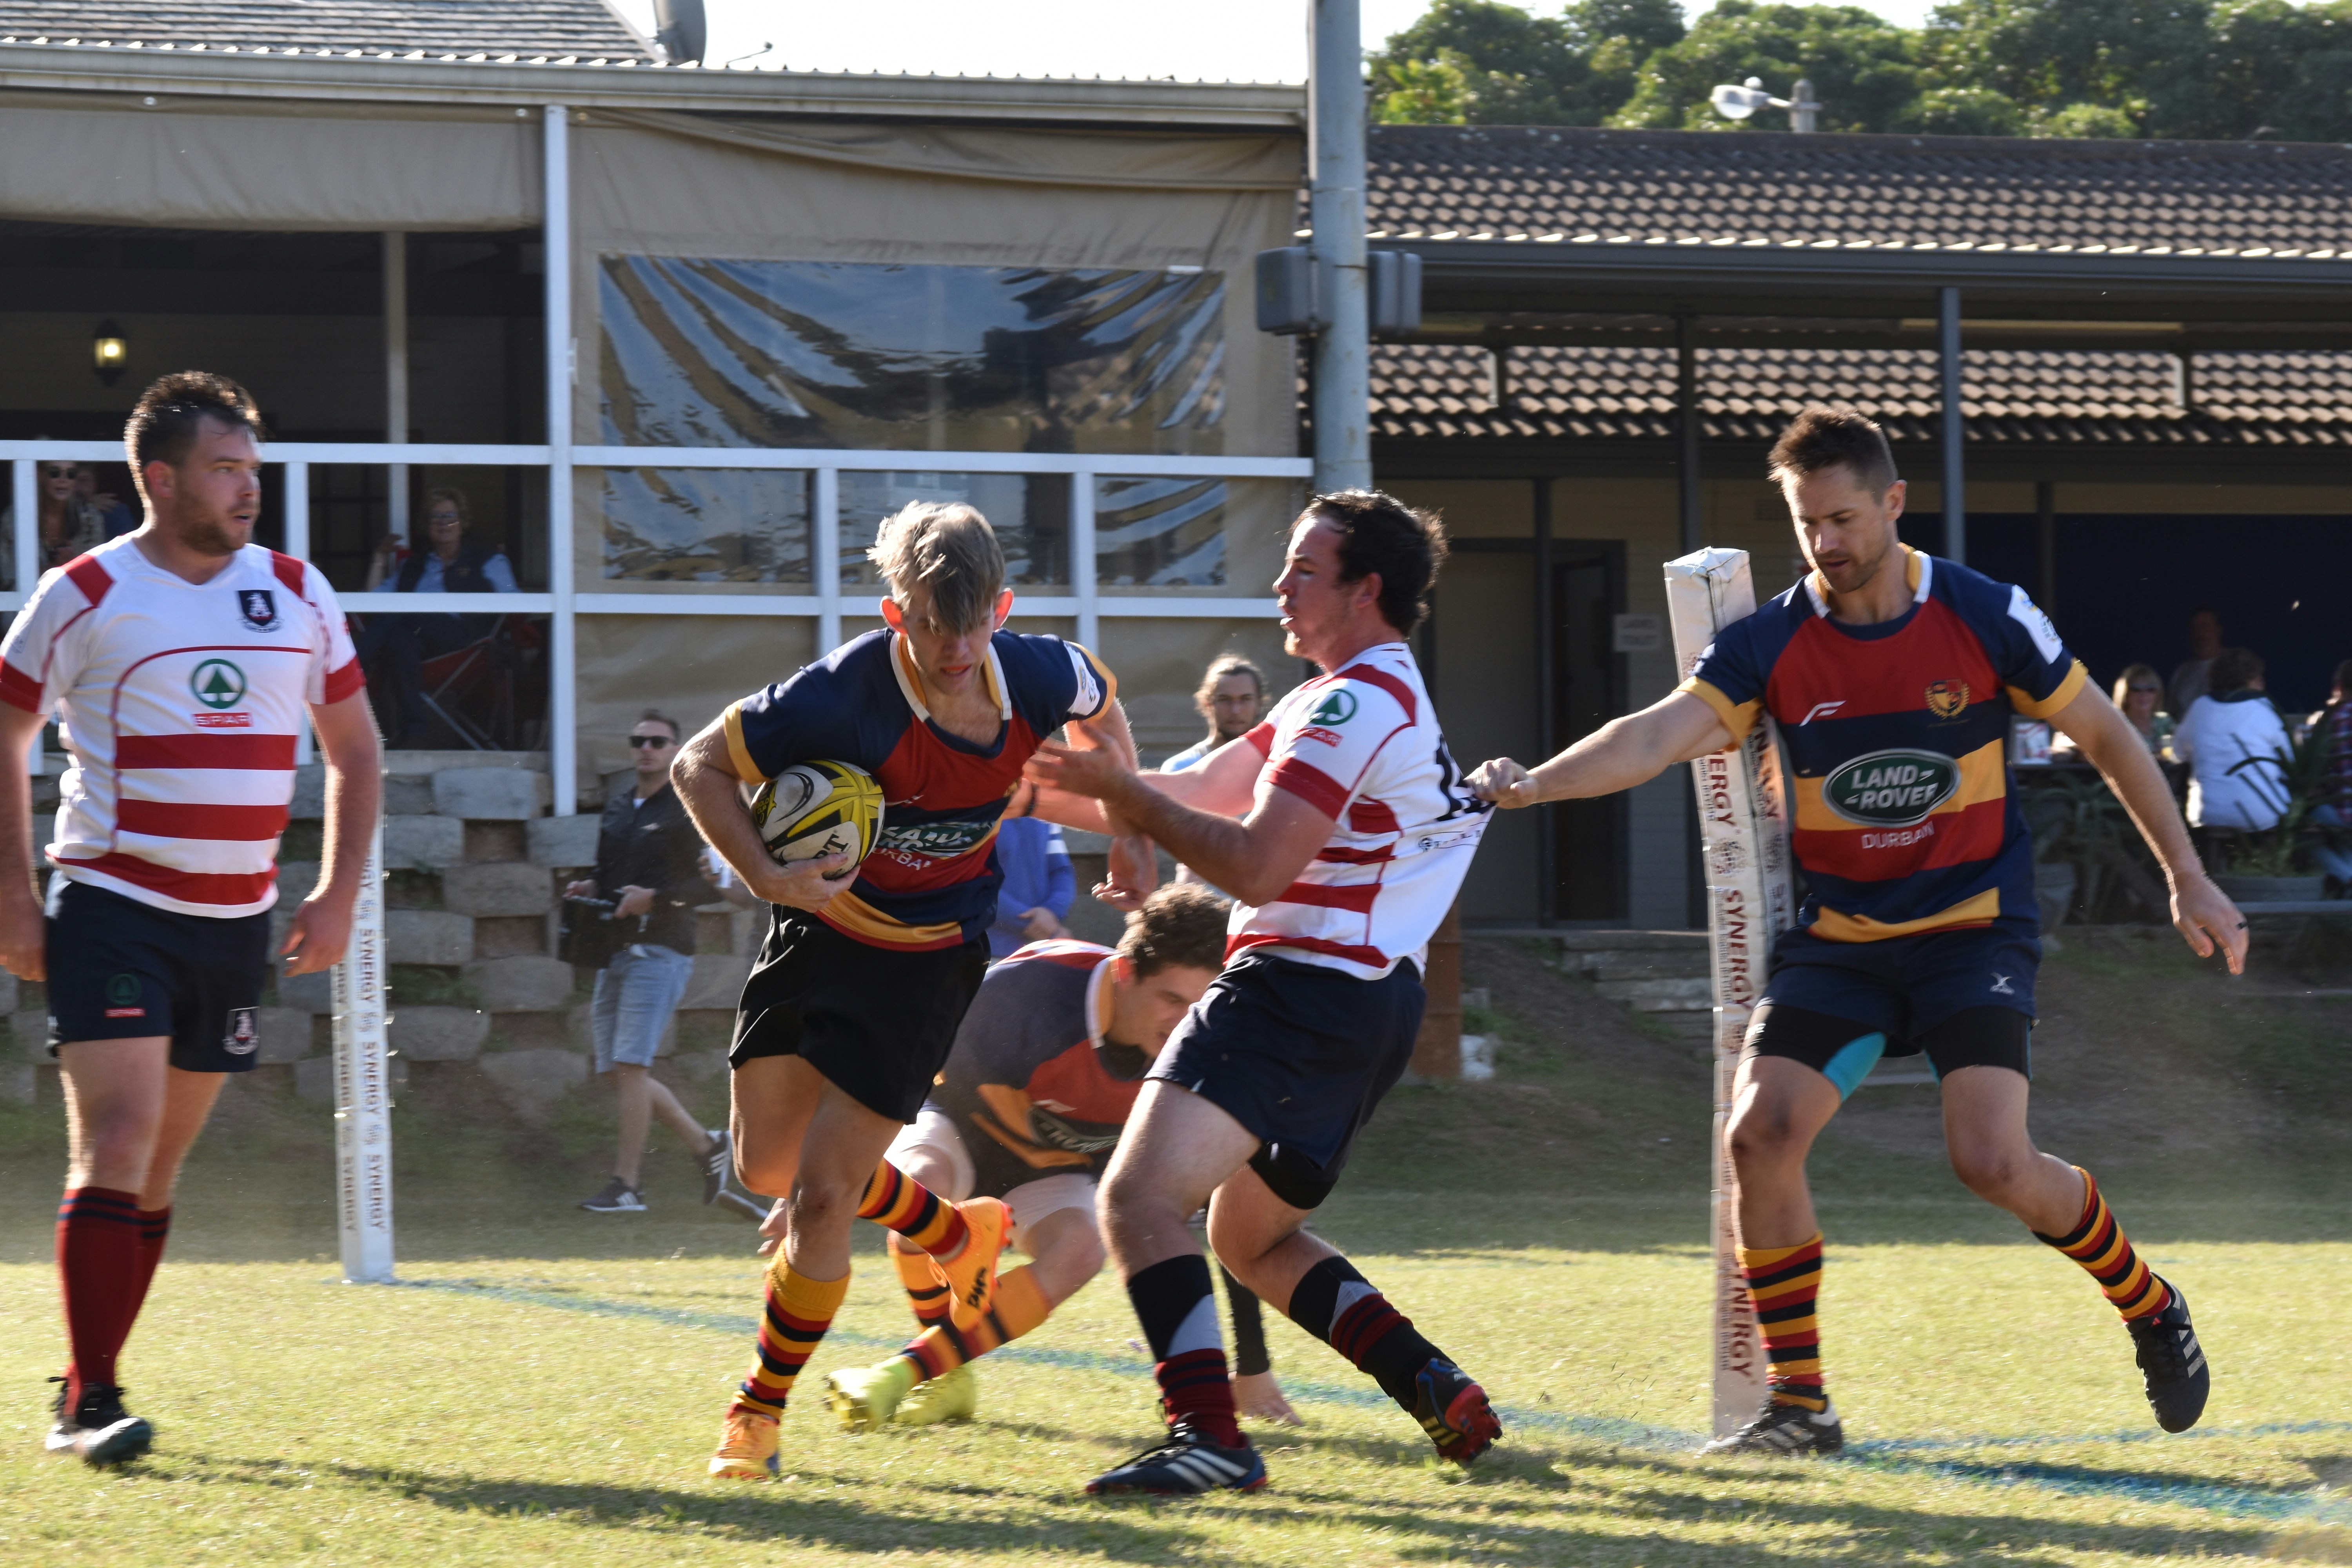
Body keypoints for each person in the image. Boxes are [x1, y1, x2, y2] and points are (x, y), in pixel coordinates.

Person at [1471, 409, 2242, 1455]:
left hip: (1972, 930)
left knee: (1993, 1162)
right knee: (1761, 1134)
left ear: (1892, 504)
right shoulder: (1773, 641)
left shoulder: (1985, 614)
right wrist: (1533, 785)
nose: (1827, 543)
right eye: (1807, 525)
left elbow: (2105, 733)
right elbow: (1658, 734)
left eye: (1843, 518)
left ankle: (2148, 1302)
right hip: (1840, 943)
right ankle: (1802, 1406)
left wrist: (2188, 878)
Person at [1024, 489, 1501, 1496]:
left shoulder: (1352, 703)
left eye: (1303, 570)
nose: (1279, 586)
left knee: (1138, 1199)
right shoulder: (1342, 694)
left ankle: (1209, 1436)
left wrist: (1123, 798)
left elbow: (1255, 864)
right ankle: (1435, 1386)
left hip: (1297, 987)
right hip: (1366, 1006)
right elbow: (1190, 794)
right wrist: (1012, 785)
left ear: (1366, 590)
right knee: (1250, 1237)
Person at [670, 500, 1154, 1483]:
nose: (955, 646)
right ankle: (953, 1225)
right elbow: (699, 766)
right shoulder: (842, 694)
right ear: (898, 614)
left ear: (1002, 609)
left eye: (973, 625)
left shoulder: (1037, 670)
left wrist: (1132, 824)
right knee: (764, 1168)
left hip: (929, 957)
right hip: (816, 929)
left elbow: (1105, 708)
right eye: (934, 625)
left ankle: (756, 1415)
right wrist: (769, 875)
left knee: (819, 1196)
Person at [0, 372, 381, 1466]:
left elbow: (355, 750)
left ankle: (87, 1374)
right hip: (113, 905)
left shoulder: (300, 592)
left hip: (235, 922)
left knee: (157, 1171)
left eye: (252, 470)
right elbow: (6, 737)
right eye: (225, 470)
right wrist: (17, 895)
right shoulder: (80, 592)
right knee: (115, 1142)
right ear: (160, 480)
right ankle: (89, 1408)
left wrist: (338, 888)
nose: (247, 490)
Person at [818, 883, 1299, 1429]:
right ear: (1124, 973)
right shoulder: (1027, 989)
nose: (1185, 1023)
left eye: (1202, 1004)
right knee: (922, 1187)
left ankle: (912, 1375)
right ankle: (945, 1367)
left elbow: (1226, 1199)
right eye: (1172, 1000)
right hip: (958, 1127)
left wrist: (1254, 1367)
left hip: (1055, 1170)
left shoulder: (1208, 1045)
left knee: (1081, 1251)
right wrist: (823, 1174)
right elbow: (891, 1065)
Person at [569, 710, 731, 1214]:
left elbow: (710, 887)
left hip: (661, 950)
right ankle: (707, 1145)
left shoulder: (688, 809)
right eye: (639, 739)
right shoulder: (619, 807)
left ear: (675, 749)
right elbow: (605, 870)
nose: (647, 748)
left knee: (632, 1066)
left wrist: (654, 899)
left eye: (658, 741)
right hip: (614, 949)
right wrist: (589, 886)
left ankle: (628, 1187)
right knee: (616, 1072)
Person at [356, 487, 519, 747]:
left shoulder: (489, 560)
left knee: (401, 613)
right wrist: (380, 557)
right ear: (427, 526)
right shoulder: (414, 566)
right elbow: (373, 599)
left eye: (450, 516)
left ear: (463, 523)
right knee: (398, 638)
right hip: (422, 645)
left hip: (468, 642)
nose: (443, 523)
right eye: (436, 517)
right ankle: (416, 730)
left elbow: (516, 604)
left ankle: (353, 668)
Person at [2173, 648, 2292, 834]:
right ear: (2253, 679)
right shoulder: (2265, 708)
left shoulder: (2199, 707)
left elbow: (2178, 753)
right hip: (2263, 815)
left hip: (2209, 815)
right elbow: (2289, 760)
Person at [987, 812, 1073, 959]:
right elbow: (969, 881)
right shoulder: (970, 811)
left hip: (1041, 951)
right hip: (984, 954)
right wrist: (1040, 924)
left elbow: (1061, 871)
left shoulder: (1044, 813)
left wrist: (1052, 911)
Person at [1161, 655, 1268, 771]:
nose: (1235, 710)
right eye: (1225, 700)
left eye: (1245, 699)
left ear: (1260, 703)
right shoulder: (1181, 769)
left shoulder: (1274, 766)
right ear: (1207, 704)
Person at [2309, 660, 2352, 897]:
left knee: (2297, 825)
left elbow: (2312, 765)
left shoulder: (2330, 719)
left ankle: (2346, 877)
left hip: (2342, 813)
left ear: (2339, 686)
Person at [2169, 608, 2224, 719]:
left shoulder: (2235, 668)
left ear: (2218, 630)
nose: (2200, 633)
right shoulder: (2182, 673)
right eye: (2195, 628)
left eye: (2205, 626)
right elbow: (2171, 714)